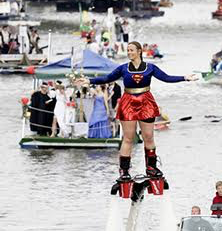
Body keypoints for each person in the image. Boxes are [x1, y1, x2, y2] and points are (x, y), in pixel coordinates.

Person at [84, 41, 196, 181]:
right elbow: (107, 78)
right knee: (128, 138)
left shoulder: (150, 67)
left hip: (146, 102)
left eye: (131, 50)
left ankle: (151, 168)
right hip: (128, 102)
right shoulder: (123, 68)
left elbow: (166, 78)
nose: (129, 53)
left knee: (148, 136)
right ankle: (124, 171)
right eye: (128, 50)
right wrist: (89, 81)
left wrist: (184, 78)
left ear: (139, 51)